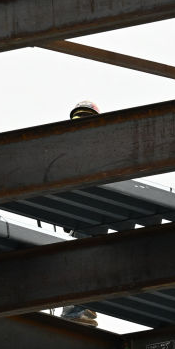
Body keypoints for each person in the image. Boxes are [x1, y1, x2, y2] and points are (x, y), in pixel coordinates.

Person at [59, 100, 102, 327]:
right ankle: (77, 308)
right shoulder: (70, 147)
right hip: (85, 212)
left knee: (90, 255)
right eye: (80, 119)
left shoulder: (100, 146)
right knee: (84, 255)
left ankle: (82, 306)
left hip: (96, 210)